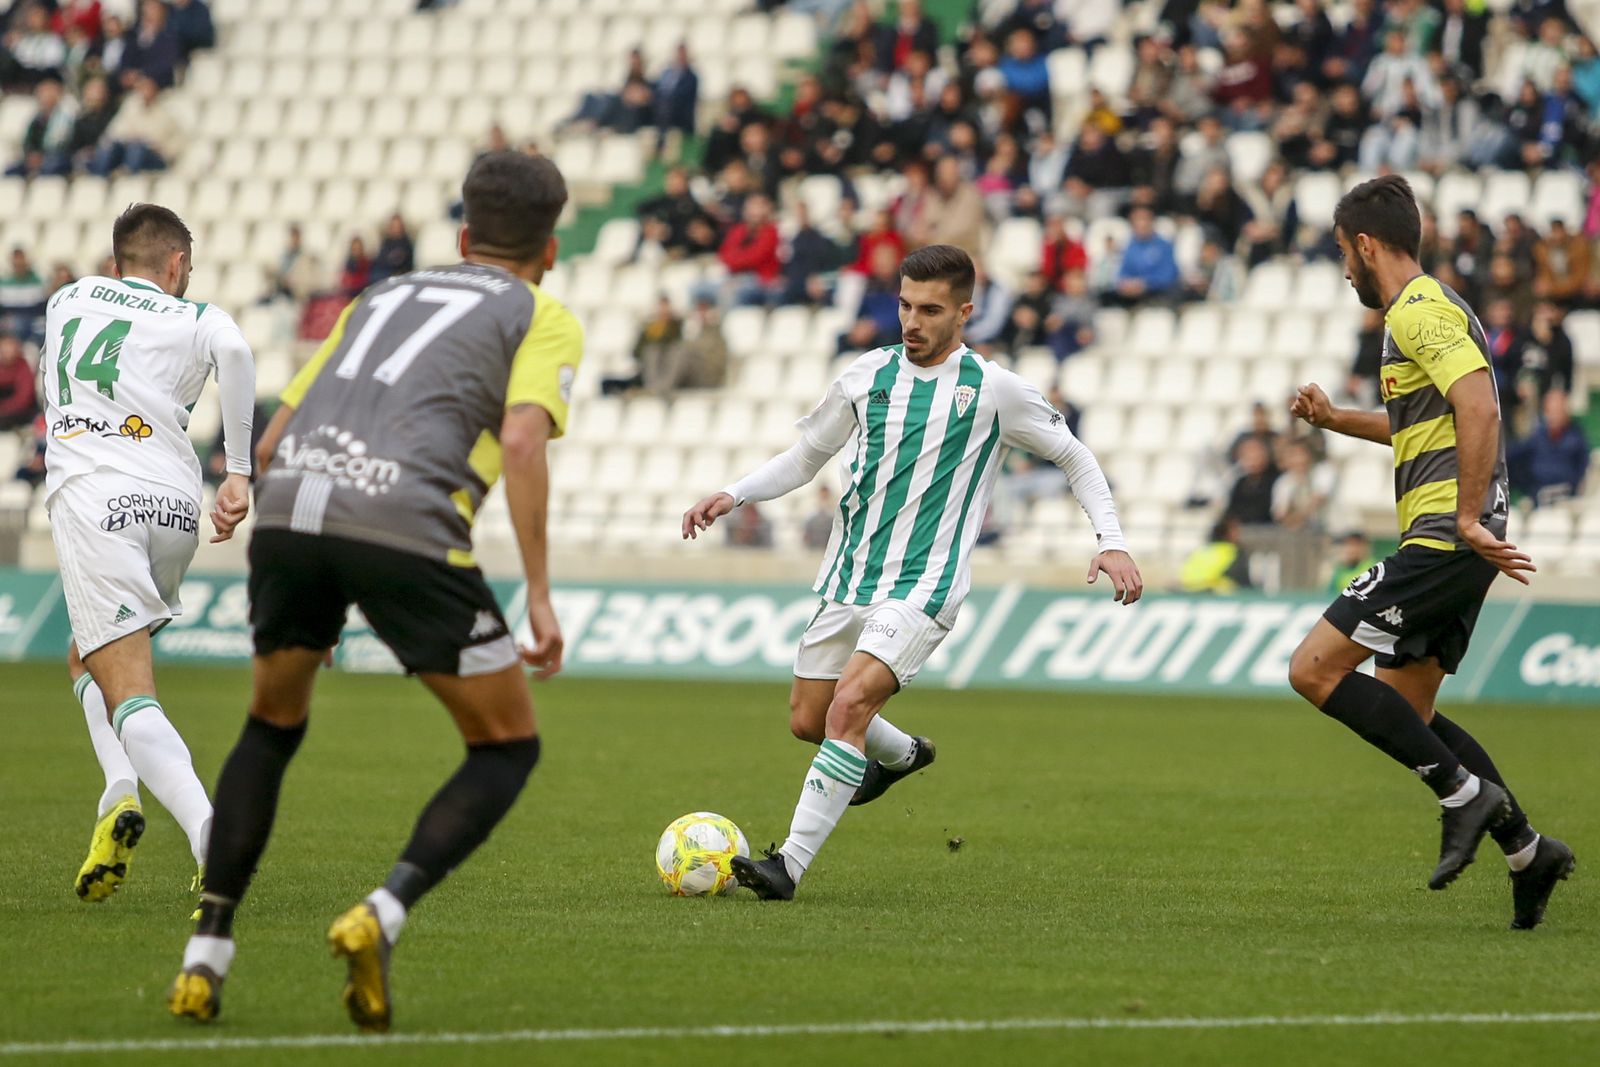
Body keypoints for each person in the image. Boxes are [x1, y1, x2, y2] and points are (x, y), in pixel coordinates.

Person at [169, 152, 578, 1029]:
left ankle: (206, 954)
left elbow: (275, 436)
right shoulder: (541, 312)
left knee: (270, 726)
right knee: (506, 745)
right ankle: (381, 914)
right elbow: (519, 442)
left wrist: (251, 494)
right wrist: (539, 591)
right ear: (550, 249)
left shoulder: (379, 296)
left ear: (462, 236)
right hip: (404, 524)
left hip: (289, 513)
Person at [681, 244, 1140, 902]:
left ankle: (788, 867)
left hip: (924, 586)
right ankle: (902, 754)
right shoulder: (866, 376)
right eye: (904, 305)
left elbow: (1076, 457)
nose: (912, 321)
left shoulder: (992, 390)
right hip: (849, 576)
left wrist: (1112, 540)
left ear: (964, 313)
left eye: (930, 309)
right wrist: (734, 493)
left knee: (847, 706)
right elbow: (805, 456)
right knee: (809, 719)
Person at [1286, 175, 1571, 930]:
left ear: (1367, 244)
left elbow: (1480, 401)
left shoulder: (1417, 308)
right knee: (1408, 707)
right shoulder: (1421, 316)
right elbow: (1421, 420)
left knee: (1312, 668)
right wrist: (1335, 418)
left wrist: (1470, 517)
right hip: (1454, 529)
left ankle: (1465, 796)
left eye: (1344, 252)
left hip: (1448, 529)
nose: (1344, 266)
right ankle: (1527, 850)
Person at [41, 204, 255, 913]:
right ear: (174, 265)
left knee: (129, 689)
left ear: (115, 261)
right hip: (174, 508)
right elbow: (239, 355)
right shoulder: (195, 315)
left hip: (95, 499)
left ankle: (210, 836)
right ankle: (119, 792)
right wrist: (239, 470)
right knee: (86, 657)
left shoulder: (66, 299)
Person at [1508, 389, 1590, 504]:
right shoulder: (1536, 437)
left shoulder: (1577, 439)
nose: (1554, 416)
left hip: (1565, 500)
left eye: (1558, 411)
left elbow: (1582, 470)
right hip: (1537, 498)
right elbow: (1511, 458)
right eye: (1551, 411)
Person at [0, 331, 37, 430]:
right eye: (4, 348)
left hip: (18, 415)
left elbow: (24, 399)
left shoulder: (23, 367)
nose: (7, 351)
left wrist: (4, 408)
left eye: (10, 347)